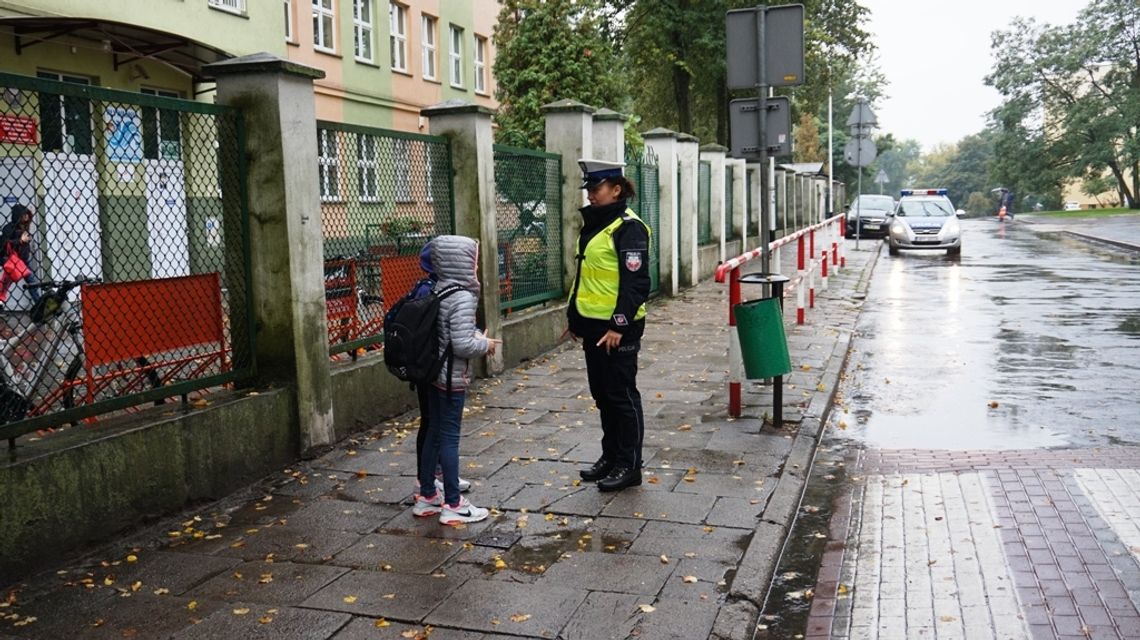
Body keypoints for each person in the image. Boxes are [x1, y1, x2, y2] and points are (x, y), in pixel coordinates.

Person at [566, 159, 651, 492]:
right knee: (602, 395)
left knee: (622, 396)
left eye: (596, 189)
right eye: (588, 189)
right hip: (592, 326)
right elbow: (586, 278)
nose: (591, 195)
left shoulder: (628, 227)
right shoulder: (595, 225)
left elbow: (636, 284)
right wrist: (574, 318)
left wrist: (618, 325)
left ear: (616, 189)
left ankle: (630, 465)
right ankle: (611, 457)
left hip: (619, 328)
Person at [412, 235, 499, 524]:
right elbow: (462, 345)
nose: (475, 267)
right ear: (461, 261)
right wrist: (484, 345)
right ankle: (453, 503)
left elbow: (447, 336)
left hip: (434, 375)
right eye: (473, 260)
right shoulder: (462, 296)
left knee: (434, 434)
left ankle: (426, 497)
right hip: (451, 378)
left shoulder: (437, 289)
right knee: (449, 438)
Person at [409, 241, 471, 500]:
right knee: (436, 427)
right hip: (437, 371)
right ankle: (432, 480)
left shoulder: (427, 288)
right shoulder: (443, 291)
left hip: (426, 368)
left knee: (432, 425)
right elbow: (458, 340)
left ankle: (433, 478)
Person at [1, 203, 40, 303]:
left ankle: (39, 303)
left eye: (27, 214)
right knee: (5, 285)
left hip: (22, 261)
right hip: (11, 260)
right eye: (24, 214)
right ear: (18, 216)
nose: (26, 216)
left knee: (31, 282)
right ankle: (39, 303)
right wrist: (20, 240)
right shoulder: (9, 228)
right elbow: (4, 244)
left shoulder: (24, 227)